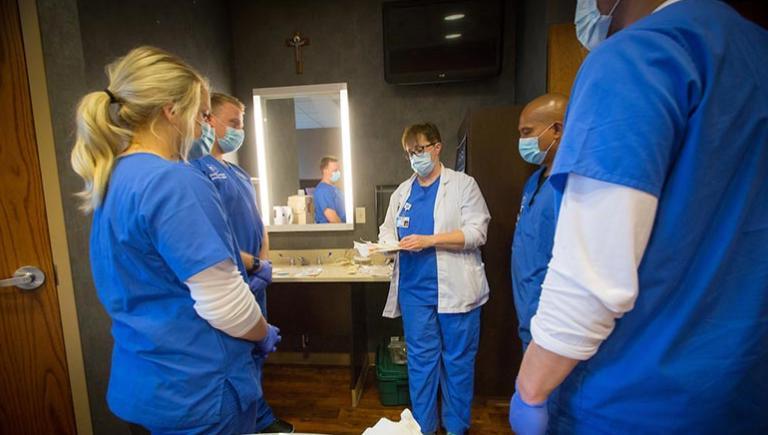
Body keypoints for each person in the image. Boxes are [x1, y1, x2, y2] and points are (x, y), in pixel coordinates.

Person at [508, 1, 768, 434]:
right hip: (741, 394)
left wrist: (530, 391)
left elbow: (588, 284)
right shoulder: (754, 52)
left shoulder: (638, 57)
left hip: (631, 401)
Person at [70, 46, 281, 434]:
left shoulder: (114, 178)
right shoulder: (174, 180)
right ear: (171, 110)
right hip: (199, 391)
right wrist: (263, 332)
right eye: (202, 115)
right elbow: (226, 306)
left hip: (145, 386)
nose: (204, 126)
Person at [189, 93, 293, 434]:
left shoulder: (237, 172)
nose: (238, 130)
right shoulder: (196, 172)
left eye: (241, 125)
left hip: (255, 278)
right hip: (231, 281)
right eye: (232, 123)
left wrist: (264, 261)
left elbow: (258, 221)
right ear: (209, 121)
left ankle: (258, 417)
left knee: (254, 358)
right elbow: (215, 239)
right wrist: (250, 266)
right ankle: (257, 420)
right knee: (236, 359)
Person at [378, 122, 491, 435]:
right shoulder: (403, 192)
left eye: (420, 149)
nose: (415, 157)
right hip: (415, 293)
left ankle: (455, 427)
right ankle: (424, 426)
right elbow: (387, 228)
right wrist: (387, 244)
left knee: (457, 362)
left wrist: (429, 240)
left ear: (437, 147)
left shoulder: (463, 185)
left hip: (457, 292)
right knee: (421, 363)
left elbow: (477, 232)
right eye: (409, 153)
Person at [511, 93, 568, 350]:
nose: (522, 141)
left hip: (555, 313)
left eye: (527, 132)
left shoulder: (571, 184)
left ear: (556, 129)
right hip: (527, 304)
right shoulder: (534, 182)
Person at [313, 156, 346, 223]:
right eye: (335, 170)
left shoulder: (335, 189)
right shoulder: (322, 191)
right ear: (325, 171)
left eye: (339, 170)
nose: (338, 173)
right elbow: (333, 219)